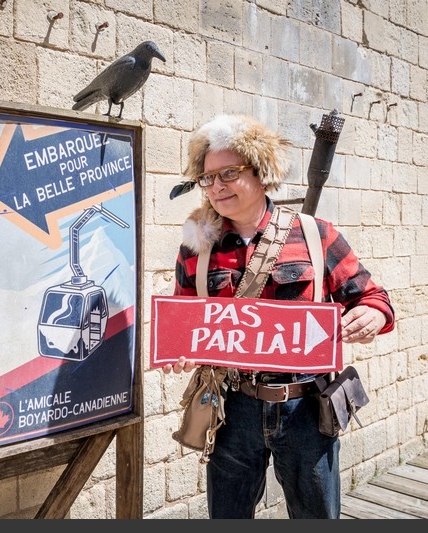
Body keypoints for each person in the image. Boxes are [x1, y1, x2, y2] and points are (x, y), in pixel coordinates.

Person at [163, 114, 395, 519]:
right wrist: (183, 348)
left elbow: (374, 297)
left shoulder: (315, 235)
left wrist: (373, 315)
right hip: (231, 408)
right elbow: (188, 321)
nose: (216, 186)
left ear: (262, 170)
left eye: (229, 173)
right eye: (208, 177)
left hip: (306, 408)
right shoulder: (196, 249)